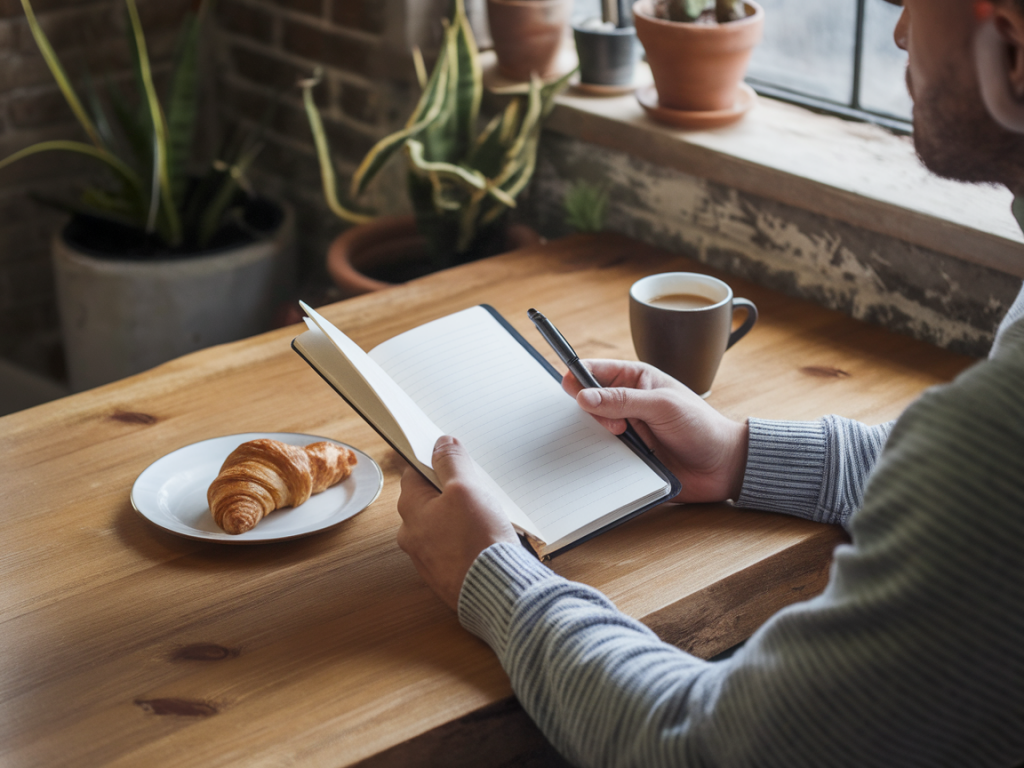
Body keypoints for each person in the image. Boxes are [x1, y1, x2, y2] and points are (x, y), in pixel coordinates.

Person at [395, 0, 1024, 764]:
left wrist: (494, 577)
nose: (897, 33)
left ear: (1011, 47)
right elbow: (968, 482)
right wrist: (736, 454)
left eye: (912, 5)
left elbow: (703, 748)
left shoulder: (996, 437)